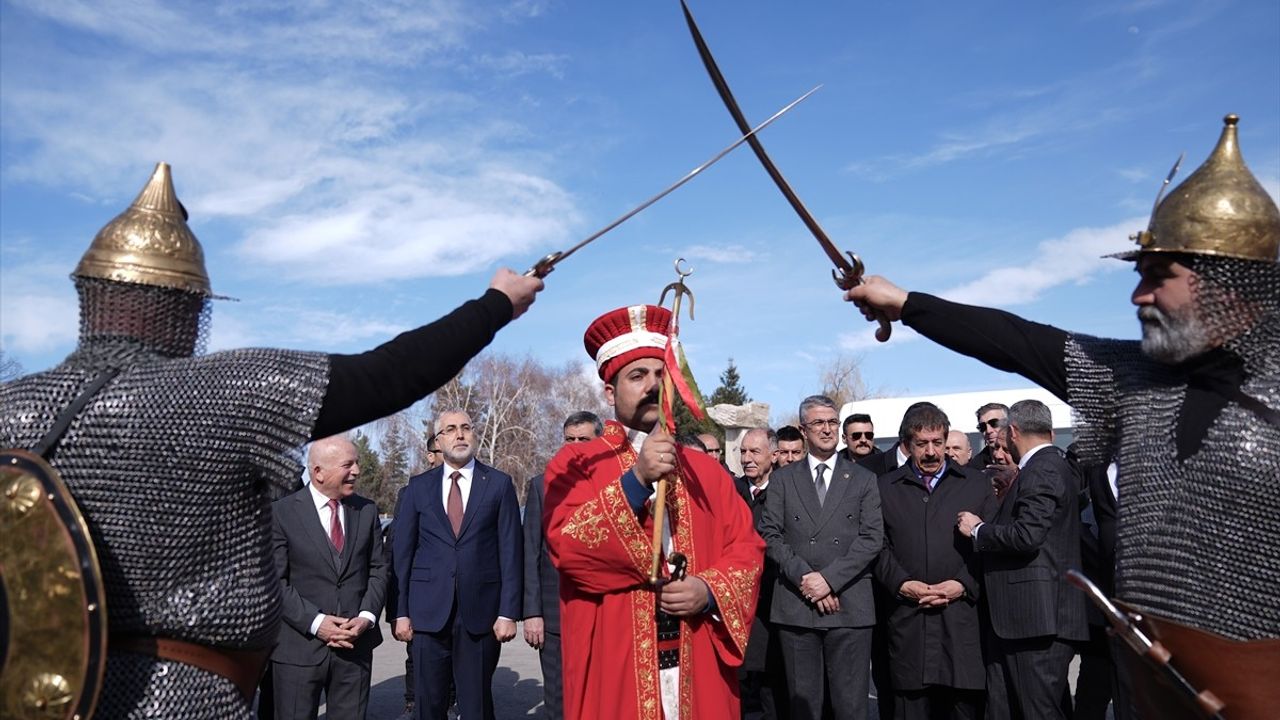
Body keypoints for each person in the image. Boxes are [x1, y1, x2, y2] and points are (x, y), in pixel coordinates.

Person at [0, 163, 542, 718]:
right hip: (189, 698)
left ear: (88, 296)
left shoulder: (12, 410)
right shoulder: (224, 392)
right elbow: (389, 375)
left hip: (40, 695)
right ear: (190, 307)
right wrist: (495, 304)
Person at [848, 115, 1280, 716]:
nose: (1138, 297)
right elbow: (1019, 341)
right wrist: (907, 303)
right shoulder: (1135, 382)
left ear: (1225, 280)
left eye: (1159, 276)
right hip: (1153, 681)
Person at [545, 303, 764, 720]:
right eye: (637, 375)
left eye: (660, 374)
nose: (652, 385)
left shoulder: (706, 471)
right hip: (617, 661)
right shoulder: (575, 464)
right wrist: (637, 479)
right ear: (610, 392)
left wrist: (709, 590)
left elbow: (747, 548)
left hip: (696, 655)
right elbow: (569, 548)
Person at [955, 400, 1087, 719]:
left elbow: (1028, 535)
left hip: (1037, 620)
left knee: (1038, 710)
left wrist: (979, 530)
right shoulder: (1050, 464)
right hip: (1026, 621)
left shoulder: (1042, 467)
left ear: (1012, 432)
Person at [392, 410, 522, 720]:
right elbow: (403, 552)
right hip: (426, 613)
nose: (460, 434)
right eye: (450, 429)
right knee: (428, 705)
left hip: (481, 614)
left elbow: (511, 551)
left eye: (465, 428)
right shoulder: (418, 487)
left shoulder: (499, 485)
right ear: (439, 440)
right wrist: (400, 612)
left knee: (476, 704)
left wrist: (508, 612)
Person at [759, 395, 883, 720]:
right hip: (797, 609)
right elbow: (770, 535)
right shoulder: (783, 480)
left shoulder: (863, 479)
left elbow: (872, 539)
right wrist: (806, 578)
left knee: (851, 708)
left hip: (850, 605)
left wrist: (828, 580)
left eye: (832, 422)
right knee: (804, 708)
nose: (827, 429)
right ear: (804, 429)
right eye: (818, 423)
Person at [876, 405, 995, 719]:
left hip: (960, 624)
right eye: (921, 444)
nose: (931, 452)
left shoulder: (975, 484)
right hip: (908, 623)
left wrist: (962, 584)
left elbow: (990, 546)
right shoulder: (885, 488)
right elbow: (877, 547)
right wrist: (901, 583)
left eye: (938, 442)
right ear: (907, 444)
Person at [270, 435, 387, 718]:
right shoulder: (281, 513)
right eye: (348, 464)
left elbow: (379, 570)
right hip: (298, 651)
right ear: (318, 472)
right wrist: (316, 622)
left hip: (354, 649)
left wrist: (367, 617)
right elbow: (275, 582)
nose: (357, 471)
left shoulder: (367, 510)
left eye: (357, 463)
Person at [523, 411, 603, 720]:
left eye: (584, 439)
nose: (575, 446)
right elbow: (530, 552)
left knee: (599, 695)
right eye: (569, 439)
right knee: (558, 697)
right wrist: (532, 614)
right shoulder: (542, 486)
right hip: (555, 616)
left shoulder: (617, 483)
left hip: (603, 611)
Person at [385, 431, 445, 719]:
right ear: (431, 456)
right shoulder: (410, 492)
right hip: (422, 592)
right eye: (439, 451)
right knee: (418, 654)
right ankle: (413, 702)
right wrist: (399, 606)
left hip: (459, 591)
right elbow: (399, 546)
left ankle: (451, 701)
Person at [734, 428, 790, 720]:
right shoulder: (730, 491)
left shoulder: (788, 492)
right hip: (738, 604)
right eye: (743, 452)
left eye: (754, 452)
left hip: (774, 602)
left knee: (773, 686)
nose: (747, 458)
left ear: (774, 455)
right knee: (739, 686)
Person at [967, 404, 1009, 470]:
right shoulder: (975, 467)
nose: (988, 431)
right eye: (982, 426)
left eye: (994, 423)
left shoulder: (1026, 458)